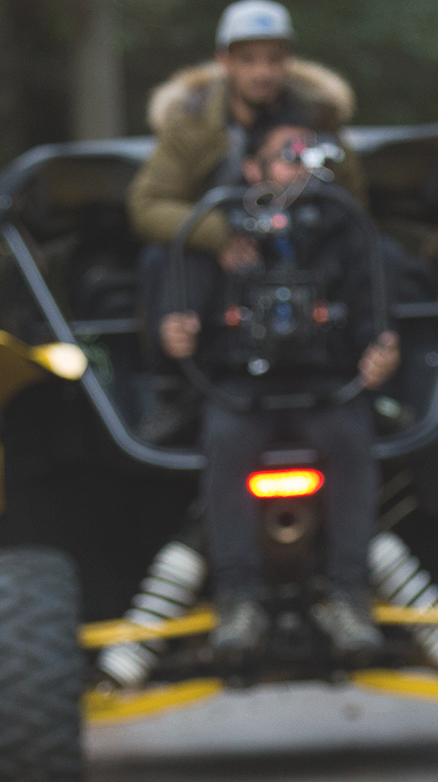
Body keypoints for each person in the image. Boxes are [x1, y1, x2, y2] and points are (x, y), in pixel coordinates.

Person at [156, 122, 399, 659]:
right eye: (287, 157)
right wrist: (177, 332)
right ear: (253, 169)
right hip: (241, 390)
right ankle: (236, 598)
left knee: (351, 439)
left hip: (327, 387)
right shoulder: (219, 232)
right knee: (223, 442)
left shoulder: (345, 228)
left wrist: (381, 351)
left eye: (309, 157)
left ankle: (348, 593)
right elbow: (180, 307)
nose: (300, 168)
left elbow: (374, 311)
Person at [128, 0, 361, 443]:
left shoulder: (315, 118)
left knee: (375, 252)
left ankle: (370, 375)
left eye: (274, 59)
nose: (262, 72)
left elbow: (352, 200)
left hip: (304, 247)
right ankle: (174, 387)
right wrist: (218, 236)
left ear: (288, 62)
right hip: (225, 258)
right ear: (224, 61)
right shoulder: (193, 125)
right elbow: (148, 203)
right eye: (248, 59)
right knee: (166, 259)